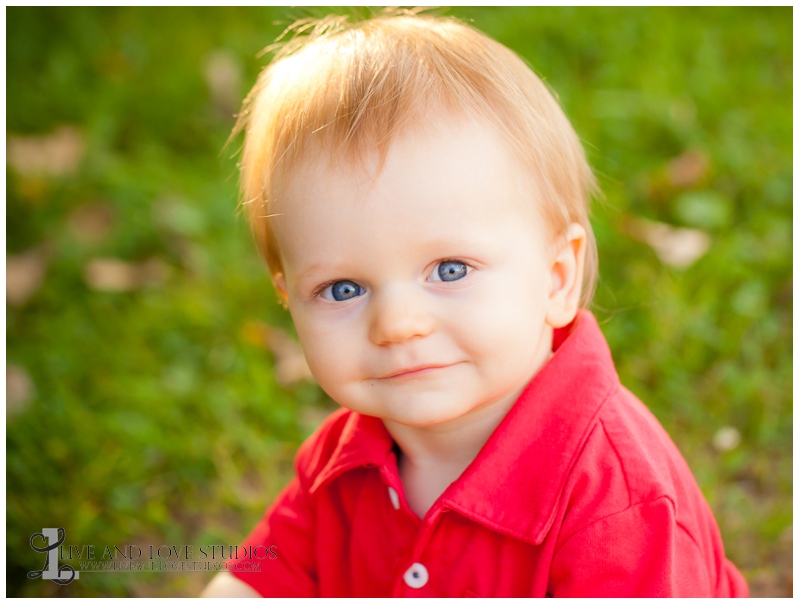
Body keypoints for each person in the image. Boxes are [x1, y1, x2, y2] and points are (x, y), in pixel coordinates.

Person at [202, 11, 748, 598]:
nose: (397, 325)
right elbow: (260, 578)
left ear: (556, 278)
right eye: (343, 289)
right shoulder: (344, 462)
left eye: (450, 270)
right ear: (288, 300)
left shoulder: (616, 504)